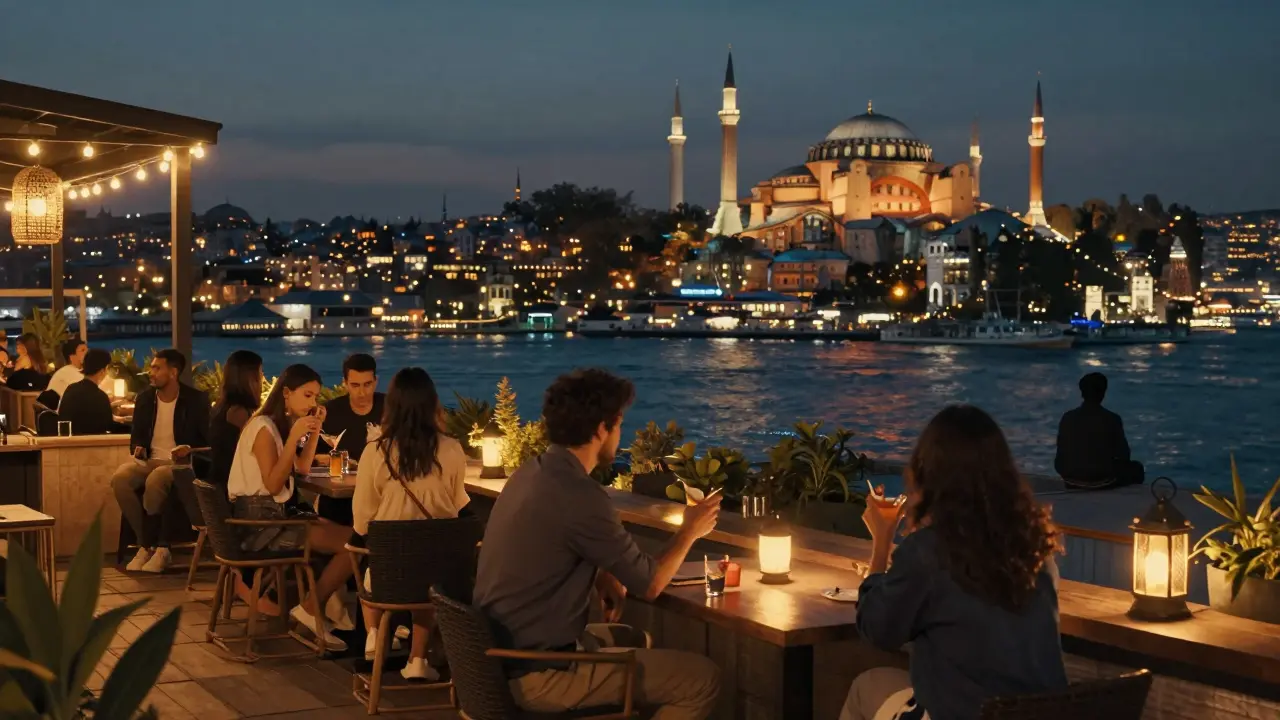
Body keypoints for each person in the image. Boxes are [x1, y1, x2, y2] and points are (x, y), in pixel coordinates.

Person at [474, 369, 722, 720]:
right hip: (539, 673)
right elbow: (650, 584)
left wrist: (601, 573)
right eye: (619, 425)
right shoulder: (580, 495)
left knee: (629, 638)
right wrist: (689, 531)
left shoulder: (533, 472)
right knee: (700, 678)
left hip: (497, 660)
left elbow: (553, 548)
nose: (619, 435)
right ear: (602, 429)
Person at [842, 405, 1067, 720]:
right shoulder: (1035, 553)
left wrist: (882, 540)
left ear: (928, 473)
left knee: (866, 687)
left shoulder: (929, 552)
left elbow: (877, 629)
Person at [352, 366, 469, 679]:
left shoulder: (375, 452)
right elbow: (457, 507)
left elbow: (362, 521)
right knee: (430, 567)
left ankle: (375, 633)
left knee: (369, 559)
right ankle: (418, 659)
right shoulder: (452, 449)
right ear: (433, 404)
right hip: (438, 575)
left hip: (387, 576)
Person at [226, 363, 354, 651]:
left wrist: (314, 429)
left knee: (349, 532)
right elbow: (273, 485)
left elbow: (303, 468)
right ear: (286, 393)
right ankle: (310, 609)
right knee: (354, 544)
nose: (312, 403)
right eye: (307, 395)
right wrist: (295, 436)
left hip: (275, 518)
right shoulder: (262, 428)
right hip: (261, 526)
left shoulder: (276, 427)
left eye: (316, 397)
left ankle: (321, 609)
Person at [110, 349, 210, 573]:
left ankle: (151, 546)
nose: (150, 372)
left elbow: (207, 442)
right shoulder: (145, 399)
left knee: (157, 478)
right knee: (121, 479)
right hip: (150, 461)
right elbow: (136, 437)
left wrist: (189, 449)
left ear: (173, 372)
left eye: (157, 368)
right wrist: (138, 448)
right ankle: (148, 544)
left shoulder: (196, 400)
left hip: (181, 464)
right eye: (151, 367)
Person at [319, 353, 386, 526]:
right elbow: (311, 457)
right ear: (345, 383)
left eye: (367, 384)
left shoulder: (390, 409)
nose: (362, 392)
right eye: (355, 385)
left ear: (376, 381)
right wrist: (324, 459)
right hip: (339, 503)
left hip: (383, 497)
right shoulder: (331, 412)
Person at [1054, 372, 1144, 489]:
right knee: (1137, 468)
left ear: (1082, 393)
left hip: (1071, 479)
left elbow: (1061, 451)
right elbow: (1124, 455)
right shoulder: (1112, 419)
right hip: (1101, 480)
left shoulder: (1067, 417)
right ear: (1103, 393)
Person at [207, 350, 264, 488]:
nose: (262, 377)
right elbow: (260, 452)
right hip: (235, 489)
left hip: (223, 482)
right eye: (260, 372)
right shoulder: (238, 413)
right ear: (250, 378)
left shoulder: (223, 407)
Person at [55, 349, 124, 435]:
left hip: (69, 443)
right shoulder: (100, 397)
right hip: (95, 445)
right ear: (102, 371)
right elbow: (109, 425)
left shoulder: (70, 389)